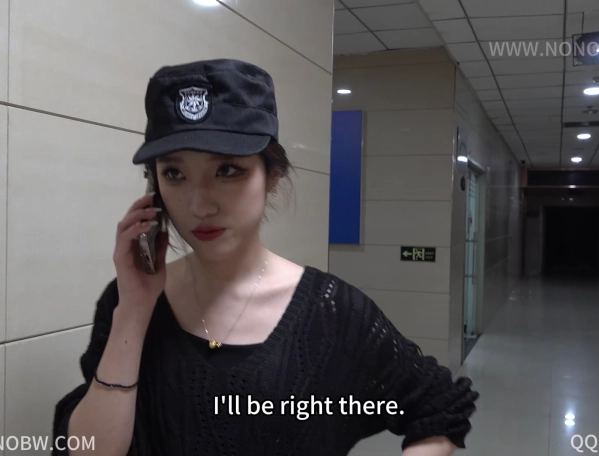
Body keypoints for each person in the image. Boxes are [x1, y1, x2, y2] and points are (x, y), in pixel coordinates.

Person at [52, 59, 478, 456]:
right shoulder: (128, 301)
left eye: (227, 170)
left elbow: (439, 405)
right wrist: (134, 311)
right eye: (174, 173)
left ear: (272, 176)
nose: (199, 205)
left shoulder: (332, 314)